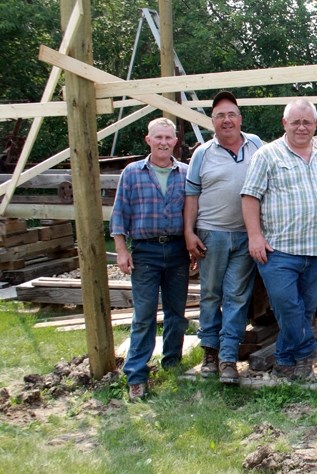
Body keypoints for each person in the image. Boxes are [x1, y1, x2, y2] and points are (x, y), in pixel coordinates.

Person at [241, 98, 317, 381]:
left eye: (307, 122)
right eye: (296, 122)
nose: (301, 127)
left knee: (304, 309)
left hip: (315, 250)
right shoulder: (267, 155)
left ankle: (285, 361)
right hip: (278, 250)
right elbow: (249, 197)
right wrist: (254, 236)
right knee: (288, 305)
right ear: (284, 124)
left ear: (315, 125)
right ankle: (306, 351)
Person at [184, 91, 263, 385]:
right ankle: (210, 354)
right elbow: (191, 196)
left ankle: (229, 359)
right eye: (220, 116)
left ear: (240, 119)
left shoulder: (257, 145)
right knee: (210, 294)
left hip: (246, 235)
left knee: (237, 297)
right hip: (211, 235)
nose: (227, 120)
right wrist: (189, 233)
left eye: (231, 114)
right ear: (212, 122)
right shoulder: (202, 153)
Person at [110, 117, 190, 401]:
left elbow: (193, 214)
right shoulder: (132, 173)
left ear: (175, 142)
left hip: (178, 250)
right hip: (145, 251)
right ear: (148, 140)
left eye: (168, 138)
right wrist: (122, 250)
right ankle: (136, 375)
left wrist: (192, 246)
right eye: (158, 138)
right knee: (144, 316)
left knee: (177, 314)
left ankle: (172, 363)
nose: (164, 142)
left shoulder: (185, 173)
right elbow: (119, 214)